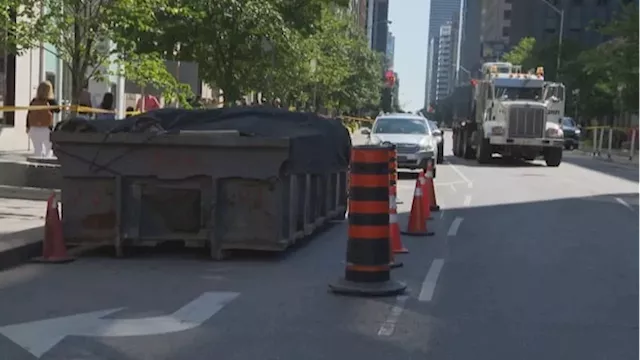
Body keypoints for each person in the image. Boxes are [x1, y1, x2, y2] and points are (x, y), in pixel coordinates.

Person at [26, 81, 60, 157]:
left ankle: (36, 166)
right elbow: (58, 110)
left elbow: (29, 114)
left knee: (38, 149)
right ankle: (45, 166)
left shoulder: (34, 101)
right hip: (46, 129)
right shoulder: (51, 101)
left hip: (33, 128)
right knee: (49, 149)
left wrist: (28, 127)